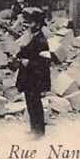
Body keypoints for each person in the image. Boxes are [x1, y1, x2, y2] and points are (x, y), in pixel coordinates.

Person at [15, 9, 54, 138]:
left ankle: (39, 131)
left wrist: (29, 62)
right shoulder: (33, 37)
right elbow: (26, 51)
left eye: (31, 23)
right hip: (30, 77)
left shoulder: (41, 40)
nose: (29, 25)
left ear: (37, 25)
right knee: (30, 102)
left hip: (36, 77)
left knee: (35, 103)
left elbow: (45, 62)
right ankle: (34, 128)